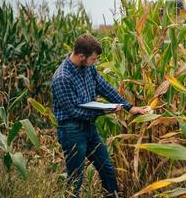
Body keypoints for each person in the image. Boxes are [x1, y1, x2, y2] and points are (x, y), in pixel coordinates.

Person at [51, 34, 149, 197]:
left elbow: (105, 88)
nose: (95, 62)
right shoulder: (62, 78)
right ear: (82, 56)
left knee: (107, 168)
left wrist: (130, 108)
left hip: (89, 128)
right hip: (72, 131)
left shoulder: (88, 68)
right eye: (94, 59)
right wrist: (103, 111)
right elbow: (74, 111)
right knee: (75, 178)